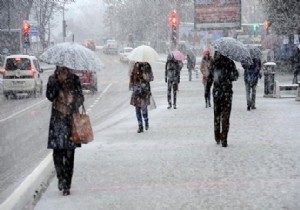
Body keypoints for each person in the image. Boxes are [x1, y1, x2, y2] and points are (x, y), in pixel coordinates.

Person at [46, 66, 84, 196]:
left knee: (69, 154)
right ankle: (60, 178)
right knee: (57, 153)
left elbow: (81, 98)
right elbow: (50, 97)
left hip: (70, 121)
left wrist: (73, 102)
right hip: (57, 121)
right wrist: (57, 84)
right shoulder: (52, 79)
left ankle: (67, 184)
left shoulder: (75, 79)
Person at [206, 51, 239, 147]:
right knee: (226, 116)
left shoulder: (214, 62)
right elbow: (235, 77)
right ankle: (224, 138)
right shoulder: (230, 62)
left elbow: (210, 77)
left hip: (217, 93)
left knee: (217, 115)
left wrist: (207, 89)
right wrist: (230, 76)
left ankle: (217, 136)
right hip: (227, 93)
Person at [130, 62, 154, 133]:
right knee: (137, 109)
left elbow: (151, 78)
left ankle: (146, 120)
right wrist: (134, 79)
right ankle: (140, 125)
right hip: (137, 91)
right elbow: (132, 78)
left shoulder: (147, 65)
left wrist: (146, 77)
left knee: (144, 108)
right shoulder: (136, 65)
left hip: (144, 90)